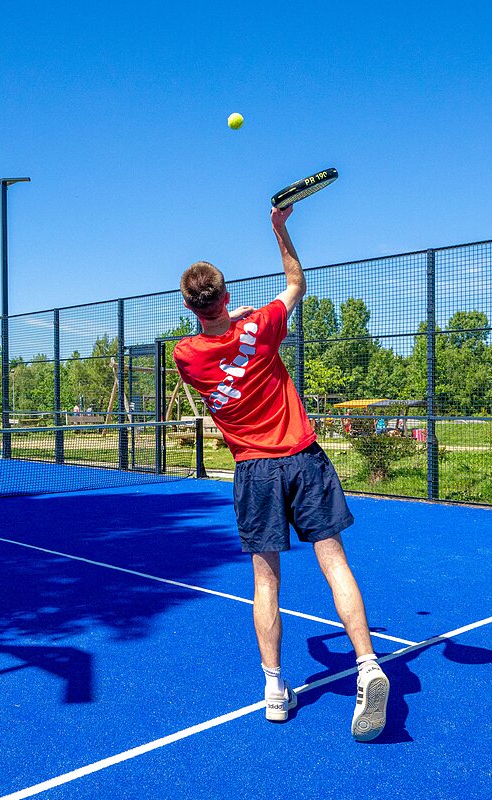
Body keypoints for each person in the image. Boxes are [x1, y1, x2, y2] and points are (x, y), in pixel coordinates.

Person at [172, 205, 389, 741]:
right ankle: (367, 665)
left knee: (265, 581)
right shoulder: (263, 326)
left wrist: (233, 318)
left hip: (254, 472)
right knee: (334, 562)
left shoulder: (186, 356)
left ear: (189, 305)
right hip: (304, 456)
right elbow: (296, 281)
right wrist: (279, 226)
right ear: (225, 295)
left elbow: (215, 341)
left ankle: (274, 688)